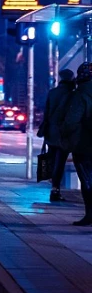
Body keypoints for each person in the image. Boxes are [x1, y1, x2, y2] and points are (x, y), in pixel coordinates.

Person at [37, 69, 75, 202]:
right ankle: (55, 190)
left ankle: (54, 188)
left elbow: (46, 113)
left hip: (51, 132)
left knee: (53, 160)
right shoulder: (72, 94)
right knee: (60, 162)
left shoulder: (52, 93)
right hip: (64, 133)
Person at [61, 62, 92, 226]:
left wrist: (67, 136)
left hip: (85, 145)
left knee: (87, 180)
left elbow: (72, 121)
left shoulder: (80, 94)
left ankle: (90, 215)